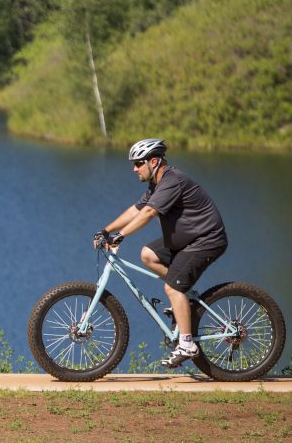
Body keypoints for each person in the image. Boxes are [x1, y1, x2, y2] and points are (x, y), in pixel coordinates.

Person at [93, 138, 229, 368]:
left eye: (138, 163)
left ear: (153, 161)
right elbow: (135, 210)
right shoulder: (157, 184)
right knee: (148, 254)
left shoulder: (171, 181)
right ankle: (184, 300)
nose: (134, 169)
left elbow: (148, 214)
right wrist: (106, 230)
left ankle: (187, 344)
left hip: (206, 240)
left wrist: (121, 235)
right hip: (188, 240)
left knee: (172, 287)